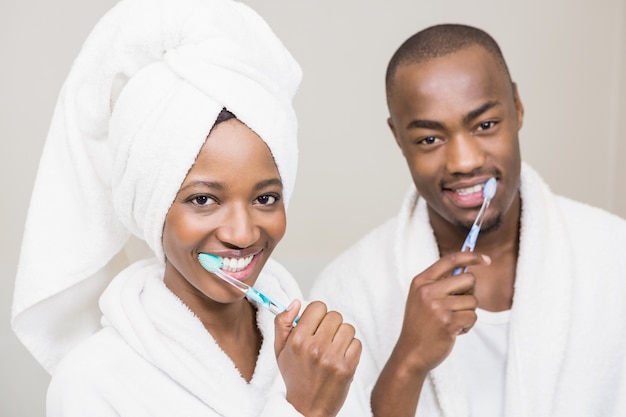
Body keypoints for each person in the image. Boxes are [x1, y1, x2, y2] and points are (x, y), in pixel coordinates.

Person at [11, 0, 364, 415]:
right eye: (203, 200)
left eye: (265, 198)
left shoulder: (318, 353)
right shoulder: (93, 385)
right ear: (151, 208)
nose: (242, 233)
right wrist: (304, 408)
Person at [311, 23, 626, 417]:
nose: (464, 161)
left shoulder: (613, 254)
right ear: (397, 138)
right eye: (430, 139)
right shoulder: (349, 291)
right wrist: (409, 361)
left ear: (518, 107)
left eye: (485, 125)